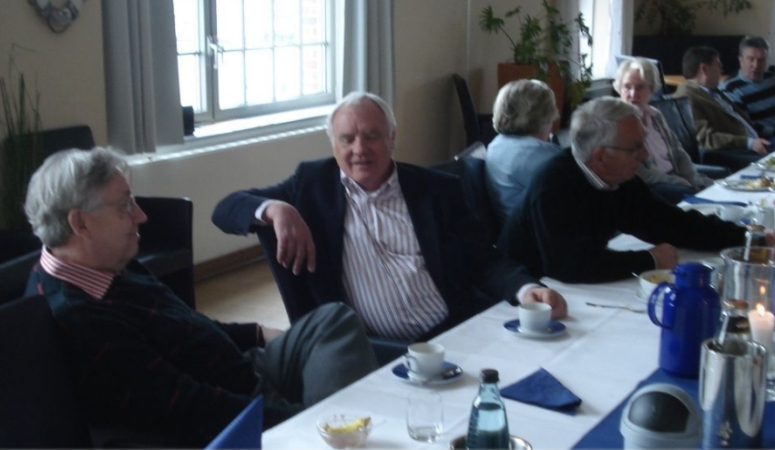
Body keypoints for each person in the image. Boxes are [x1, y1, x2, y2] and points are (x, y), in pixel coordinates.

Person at [23, 148, 378, 446]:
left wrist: (257, 333)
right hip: (229, 409)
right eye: (124, 205)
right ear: (80, 223)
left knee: (333, 319)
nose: (140, 216)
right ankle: (332, 433)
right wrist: (298, 423)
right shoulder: (80, 317)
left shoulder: (108, 265)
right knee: (331, 414)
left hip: (240, 370)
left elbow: (185, 327)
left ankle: (336, 426)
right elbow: (186, 407)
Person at [212, 92, 567, 343]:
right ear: (333, 144)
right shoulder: (311, 187)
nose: (359, 150)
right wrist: (277, 208)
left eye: (372, 136)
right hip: (369, 352)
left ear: (392, 138)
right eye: (347, 139)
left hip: (453, 333)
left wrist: (527, 288)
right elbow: (226, 208)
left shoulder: (436, 190)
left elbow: (485, 261)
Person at [496, 97, 771, 284]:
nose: (645, 154)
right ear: (600, 156)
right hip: (526, 292)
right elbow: (570, 266)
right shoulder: (553, 186)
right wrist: (649, 259)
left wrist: (750, 239)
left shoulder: (620, 176)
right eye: (635, 147)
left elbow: (670, 224)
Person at [613, 57, 713, 204]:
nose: (633, 94)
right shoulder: (618, 123)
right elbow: (641, 174)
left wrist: (692, 178)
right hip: (655, 186)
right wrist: (679, 182)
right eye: (627, 87)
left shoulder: (655, 115)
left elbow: (678, 152)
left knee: (721, 188)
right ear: (619, 89)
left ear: (651, 89)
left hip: (676, 176)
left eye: (640, 87)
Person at [485, 79, 563, 222]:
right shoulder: (537, 156)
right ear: (545, 116)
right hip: (537, 230)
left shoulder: (497, 144)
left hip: (512, 225)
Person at [674, 46, 770, 156]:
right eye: (718, 67)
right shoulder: (687, 98)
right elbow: (706, 138)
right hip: (740, 152)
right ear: (704, 69)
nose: (721, 72)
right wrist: (749, 143)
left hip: (760, 141)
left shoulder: (711, 91)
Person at [720, 36, 775, 139]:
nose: (756, 65)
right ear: (740, 60)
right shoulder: (729, 89)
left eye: (761, 60)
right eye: (750, 59)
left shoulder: (772, 78)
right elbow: (745, 126)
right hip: (763, 139)